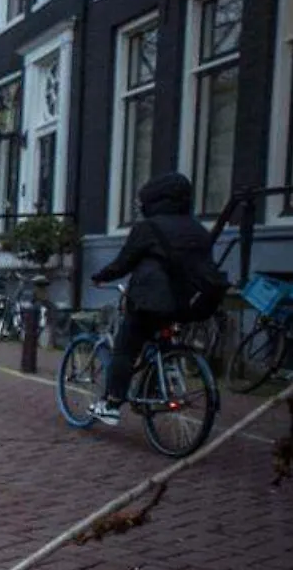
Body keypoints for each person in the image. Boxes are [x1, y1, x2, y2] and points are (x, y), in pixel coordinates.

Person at [87, 171, 212, 425]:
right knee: (163, 339)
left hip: (150, 301)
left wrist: (100, 277)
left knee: (125, 349)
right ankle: (155, 388)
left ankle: (111, 404)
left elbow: (125, 262)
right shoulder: (198, 229)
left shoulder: (149, 228)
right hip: (189, 302)